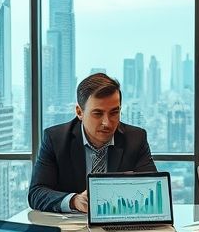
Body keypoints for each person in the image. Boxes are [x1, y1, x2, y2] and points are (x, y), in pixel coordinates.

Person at [29, 73, 157, 212]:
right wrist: (74, 200)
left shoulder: (136, 138)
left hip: (120, 224)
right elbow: (36, 193)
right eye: (97, 113)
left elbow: (152, 190)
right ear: (79, 112)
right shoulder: (56, 139)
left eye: (114, 112)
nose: (107, 123)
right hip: (72, 227)